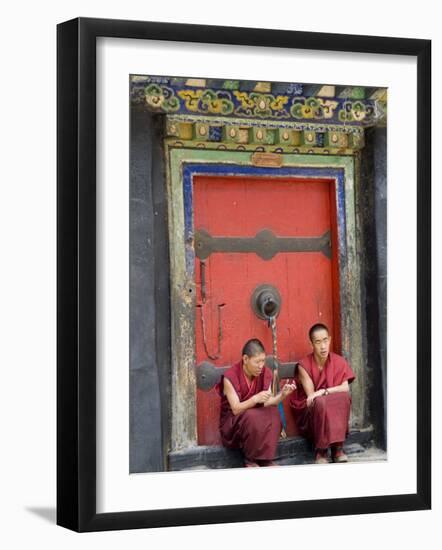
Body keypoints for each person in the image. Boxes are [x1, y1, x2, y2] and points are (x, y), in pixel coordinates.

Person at [218, 338, 296, 467]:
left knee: (273, 414)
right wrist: (255, 399)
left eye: (263, 361)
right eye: (257, 362)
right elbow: (236, 409)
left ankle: (265, 459)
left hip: (253, 416)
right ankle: (251, 460)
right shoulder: (230, 377)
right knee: (252, 416)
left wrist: (282, 395)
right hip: (233, 424)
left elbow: (268, 402)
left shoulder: (266, 373)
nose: (261, 366)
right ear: (245, 359)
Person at [289, 323, 355, 464]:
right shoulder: (304, 365)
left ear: (330, 339)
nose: (323, 346)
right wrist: (321, 394)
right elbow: (312, 396)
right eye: (318, 342)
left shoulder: (339, 361)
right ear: (311, 343)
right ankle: (322, 450)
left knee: (343, 398)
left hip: (330, 404)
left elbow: (345, 388)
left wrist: (325, 391)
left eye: (325, 340)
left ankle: (337, 448)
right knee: (320, 402)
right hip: (313, 412)